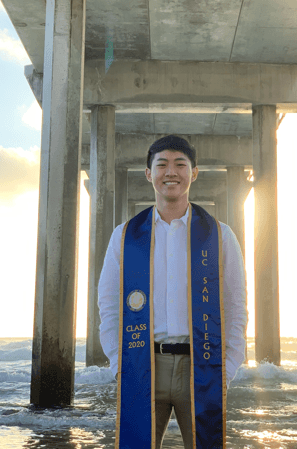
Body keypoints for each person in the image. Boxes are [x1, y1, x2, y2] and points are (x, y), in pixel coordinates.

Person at [98, 134, 247, 449]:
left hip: (202, 366)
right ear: (148, 173)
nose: (171, 172)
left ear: (194, 172)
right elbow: (109, 305)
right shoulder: (124, 237)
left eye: (181, 164)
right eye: (161, 164)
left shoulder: (220, 236)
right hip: (143, 365)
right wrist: (118, 364)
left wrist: (229, 367)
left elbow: (236, 307)